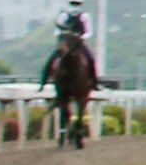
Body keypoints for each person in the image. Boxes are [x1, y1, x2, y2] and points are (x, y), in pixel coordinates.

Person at [41, 12, 101, 150]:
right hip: (65, 42)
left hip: (78, 43)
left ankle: (94, 82)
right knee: (52, 59)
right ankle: (43, 81)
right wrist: (64, 36)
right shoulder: (64, 16)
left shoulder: (84, 16)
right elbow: (57, 31)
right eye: (73, 3)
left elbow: (89, 32)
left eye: (76, 2)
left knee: (90, 59)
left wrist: (78, 37)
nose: (75, 5)